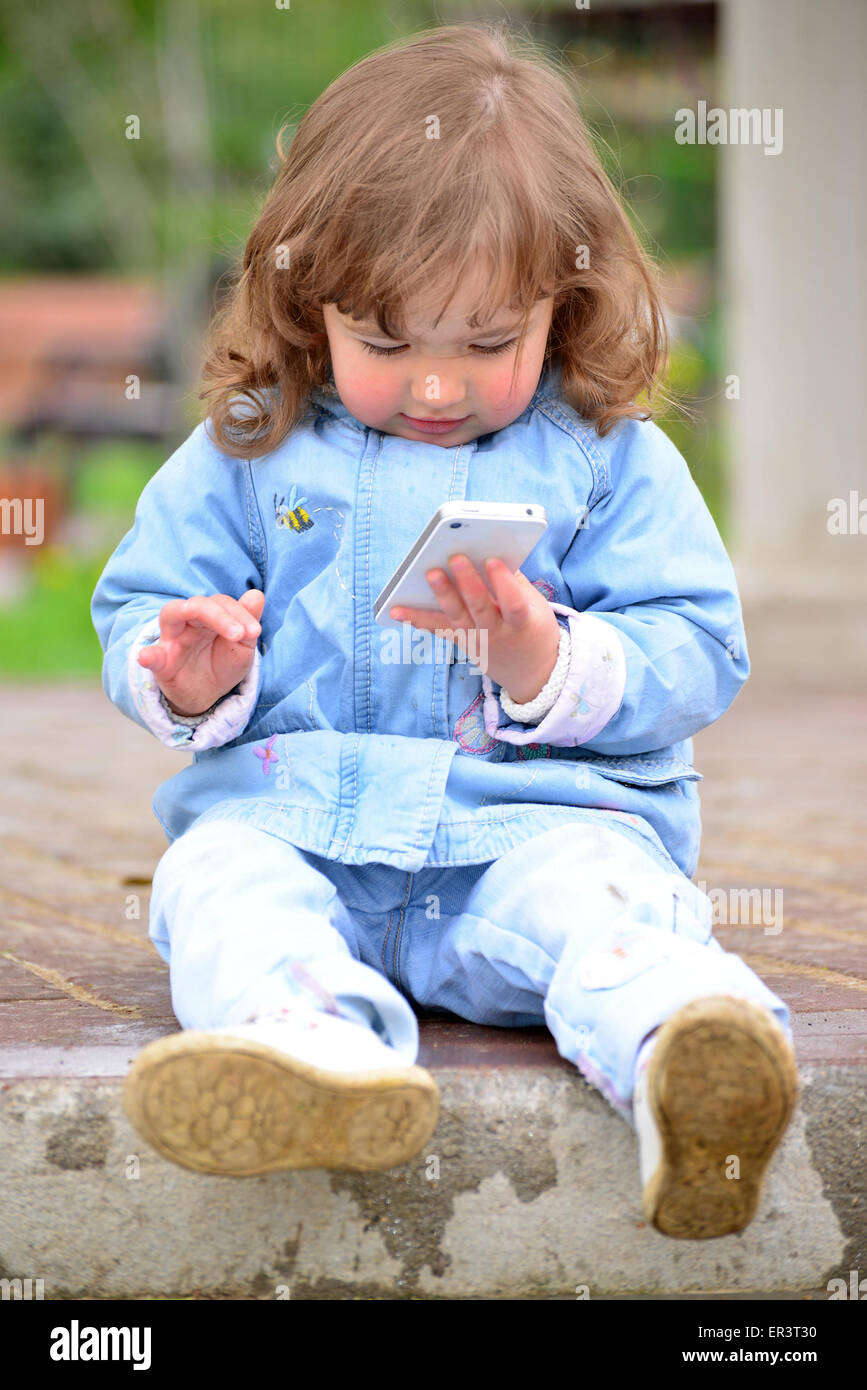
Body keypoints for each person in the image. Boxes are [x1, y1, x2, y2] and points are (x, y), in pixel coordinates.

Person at [91, 21, 797, 1240]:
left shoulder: (604, 459)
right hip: (296, 825)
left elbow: (700, 645)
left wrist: (548, 661)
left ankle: (692, 1053)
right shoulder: (252, 448)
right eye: (384, 343)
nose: (433, 385)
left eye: (486, 343)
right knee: (215, 883)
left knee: (612, 908)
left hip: (528, 832)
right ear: (308, 302)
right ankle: (313, 1056)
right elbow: (137, 607)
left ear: (560, 303)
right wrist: (188, 674)